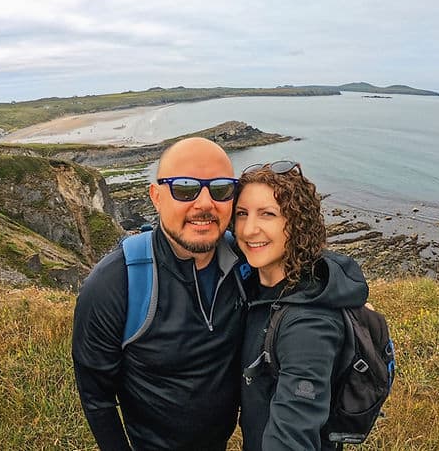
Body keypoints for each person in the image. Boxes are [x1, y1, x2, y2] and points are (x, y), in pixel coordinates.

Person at [72, 137, 249, 451]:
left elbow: (305, 267)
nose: (205, 204)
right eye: (184, 188)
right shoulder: (115, 283)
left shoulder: (245, 261)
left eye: (220, 189)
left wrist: (351, 302)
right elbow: (96, 396)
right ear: (156, 196)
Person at [234, 160, 368, 451]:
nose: (248, 229)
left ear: (296, 224)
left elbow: (293, 436)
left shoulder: (308, 324)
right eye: (242, 214)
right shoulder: (257, 285)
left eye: (268, 214)